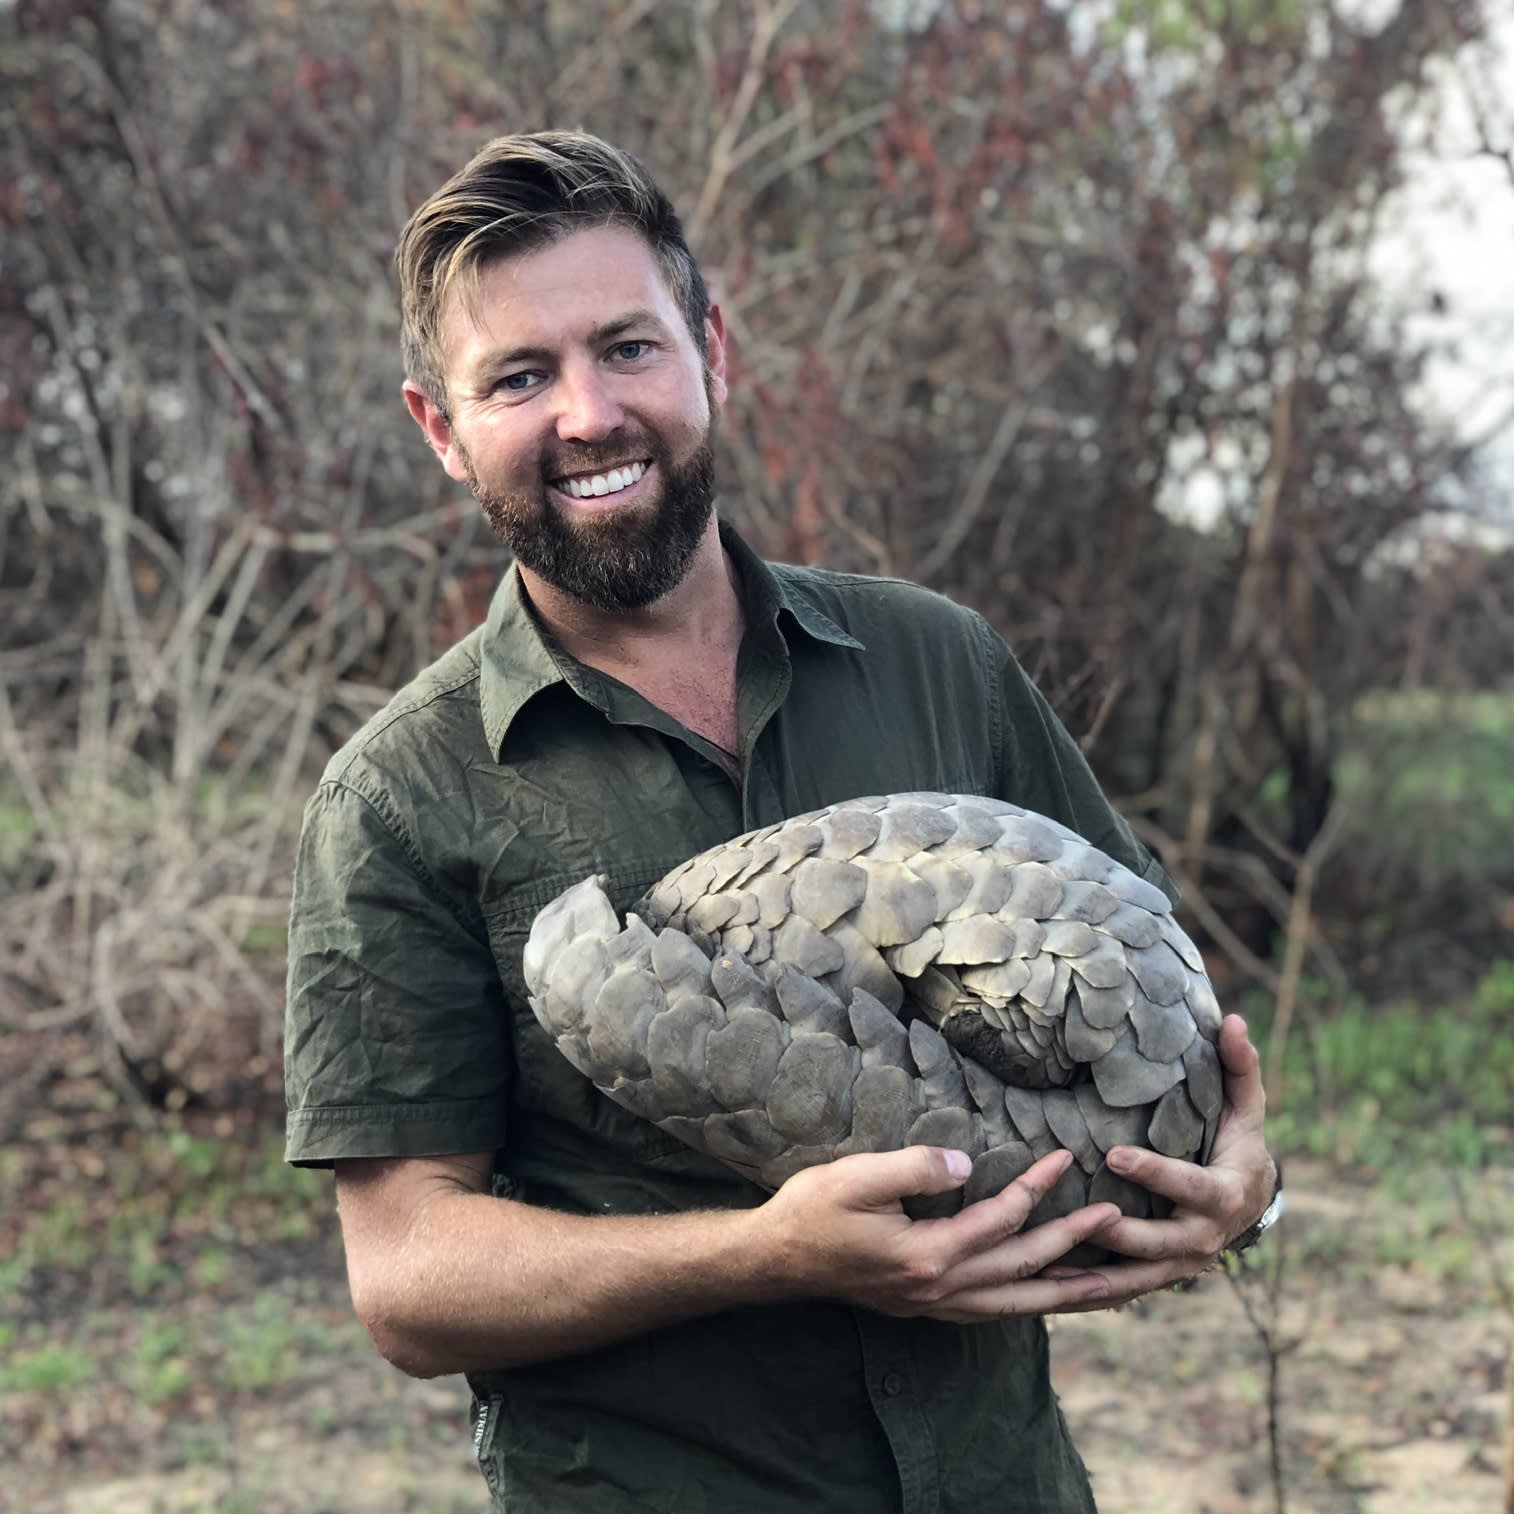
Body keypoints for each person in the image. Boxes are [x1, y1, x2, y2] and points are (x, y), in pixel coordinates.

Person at [283, 130, 1278, 1513]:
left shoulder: (938, 660)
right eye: (520, 376)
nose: (587, 412)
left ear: (712, 354)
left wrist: (1242, 1185)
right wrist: (760, 1250)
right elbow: (404, 1276)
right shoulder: (401, 795)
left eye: (626, 347)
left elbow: (1168, 1041)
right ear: (441, 431)